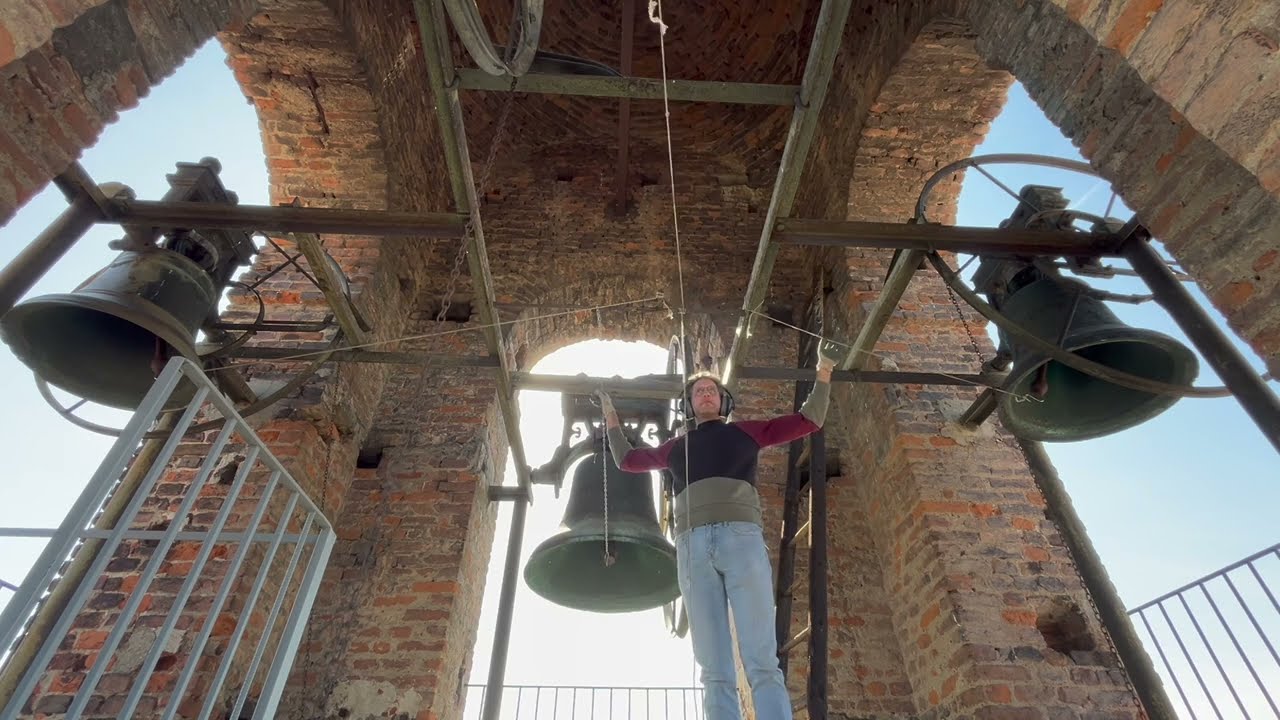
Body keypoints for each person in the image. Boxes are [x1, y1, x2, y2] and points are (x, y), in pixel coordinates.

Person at [597, 347, 836, 720]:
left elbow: (810, 419)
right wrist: (610, 415)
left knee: (761, 658)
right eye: (698, 392)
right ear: (690, 406)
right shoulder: (675, 448)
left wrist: (824, 368)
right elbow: (628, 460)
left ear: (723, 401)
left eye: (712, 390)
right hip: (692, 546)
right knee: (713, 668)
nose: (705, 393)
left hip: (740, 538)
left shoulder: (746, 433)